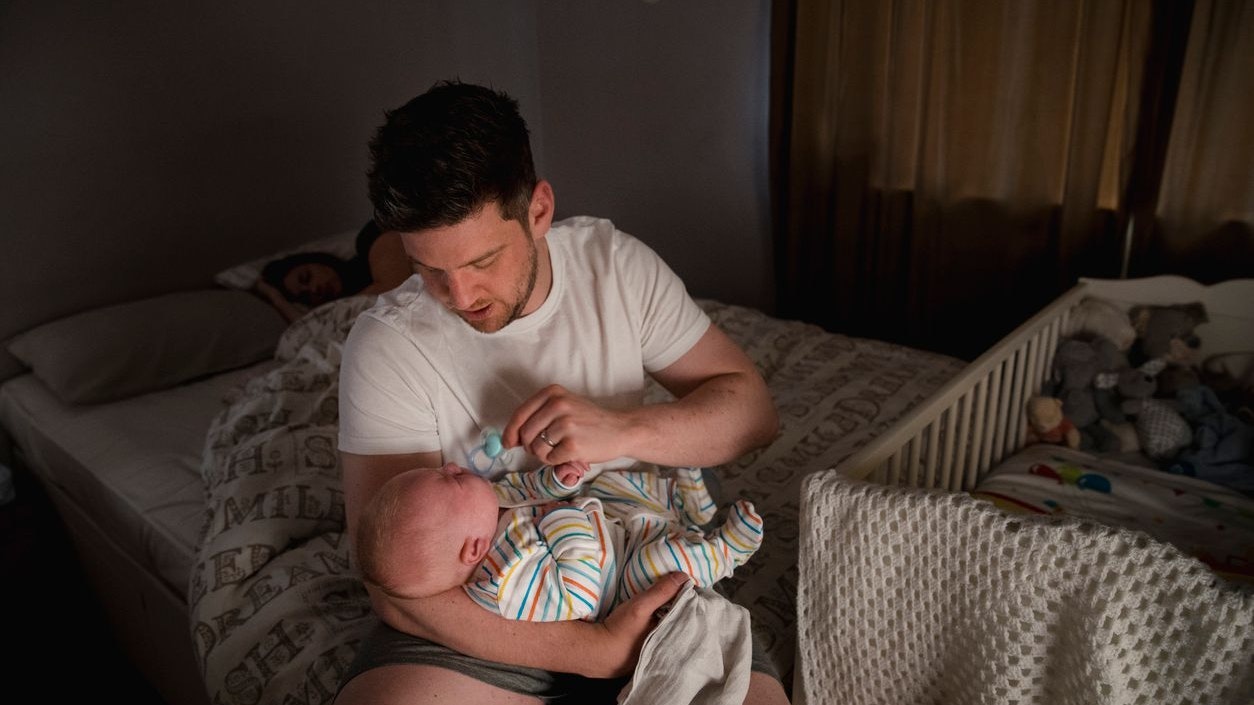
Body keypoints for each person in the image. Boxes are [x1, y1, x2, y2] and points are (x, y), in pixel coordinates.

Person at [335, 79, 785, 704]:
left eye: (482, 261)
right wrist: (592, 651)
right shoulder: (386, 344)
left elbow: (754, 414)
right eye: (429, 270)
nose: (460, 297)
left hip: (640, 560)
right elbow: (396, 588)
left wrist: (621, 431)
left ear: (539, 210)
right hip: (483, 603)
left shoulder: (615, 267)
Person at [355, 462, 764, 621]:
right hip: (621, 583)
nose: (453, 465)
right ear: (473, 549)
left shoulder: (489, 506)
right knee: (663, 565)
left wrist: (555, 481)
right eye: (454, 479)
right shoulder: (504, 584)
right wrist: (561, 517)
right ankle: (728, 552)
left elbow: (526, 488)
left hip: (612, 527)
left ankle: (688, 511)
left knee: (608, 484)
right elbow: (580, 593)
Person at [254, 219, 412, 322]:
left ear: (315, 260)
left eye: (306, 277)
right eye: (306, 297)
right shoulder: (341, 314)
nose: (314, 289)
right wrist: (276, 299)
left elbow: (396, 290)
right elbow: (311, 330)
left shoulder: (368, 239)